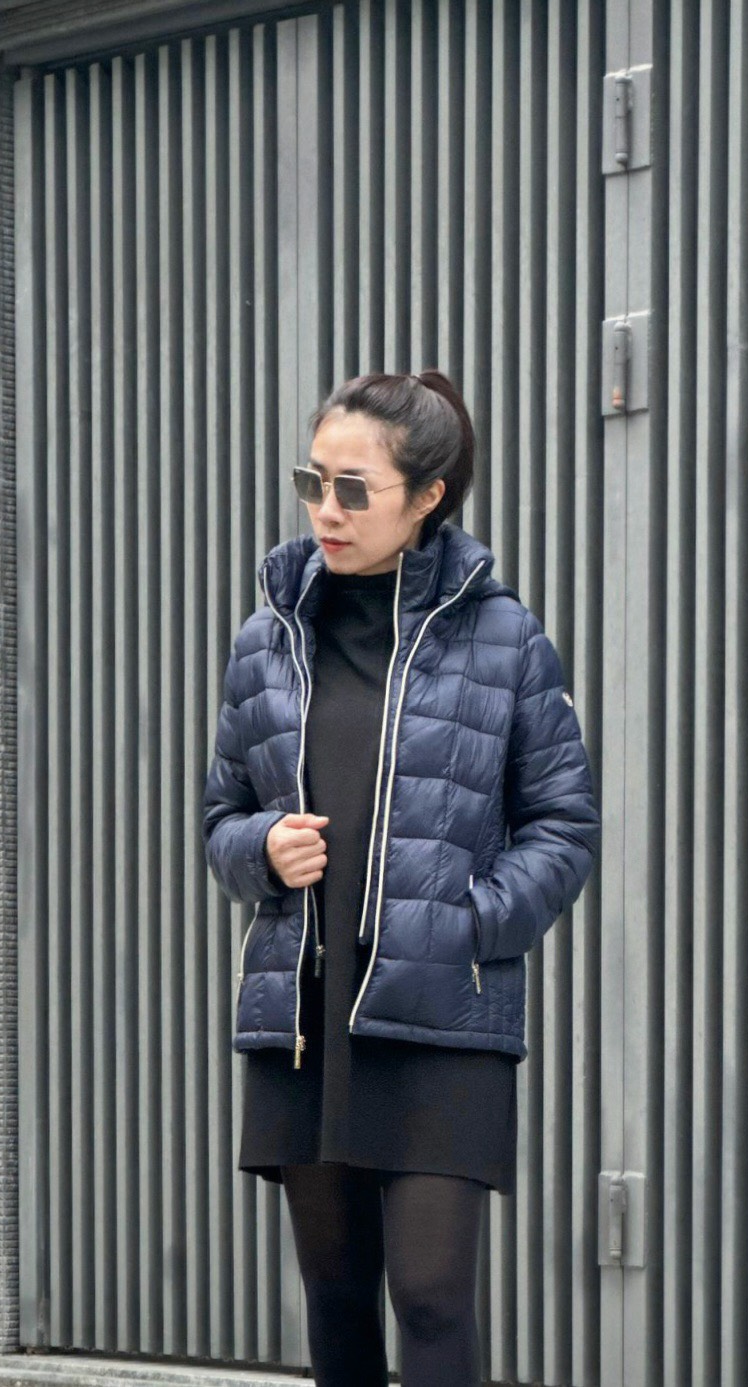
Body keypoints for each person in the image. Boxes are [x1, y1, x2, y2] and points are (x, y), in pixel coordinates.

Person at [201, 369, 600, 1387]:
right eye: (312, 481)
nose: (325, 511)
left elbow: (562, 825)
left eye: (353, 488)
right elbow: (220, 817)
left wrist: (469, 923)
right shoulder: (268, 638)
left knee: (429, 1296)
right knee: (336, 1298)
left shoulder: (502, 638)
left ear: (426, 496)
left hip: (438, 1021)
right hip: (305, 1013)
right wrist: (261, 848)